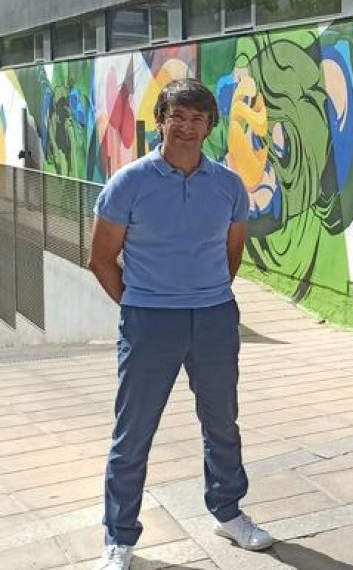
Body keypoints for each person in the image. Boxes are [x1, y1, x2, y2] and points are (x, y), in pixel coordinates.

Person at [88, 79, 274, 570]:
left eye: (198, 119)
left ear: (210, 126)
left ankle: (228, 512)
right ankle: (119, 536)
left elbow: (232, 253)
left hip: (214, 318)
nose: (187, 127)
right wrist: (142, 303)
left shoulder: (228, 185)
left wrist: (203, 295)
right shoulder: (128, 183)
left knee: (222, 423)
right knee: (133, 433)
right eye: (178, 117)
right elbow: (101, 259)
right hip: (149, 321)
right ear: (161, 121)